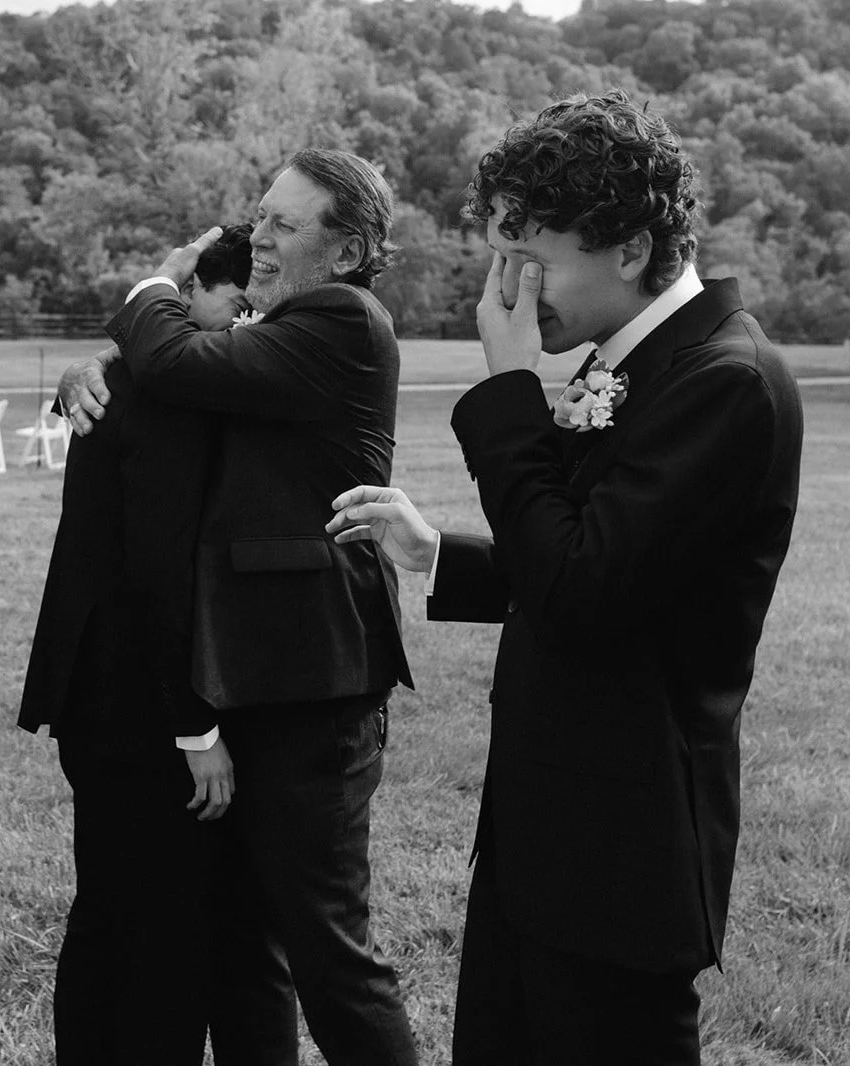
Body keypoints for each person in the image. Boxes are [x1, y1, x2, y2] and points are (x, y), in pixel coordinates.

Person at [329, 91, 805, 1063]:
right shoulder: (638, 359)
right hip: (547, 832)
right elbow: (610, 563)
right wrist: (443, 556)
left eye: (528, 255)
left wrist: (509, 395)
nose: (506, 284)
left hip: (622, 854)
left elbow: (584, 590)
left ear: (628, 248)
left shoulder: (724, 379)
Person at [59, 149, 418, 1066]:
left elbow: (175, 357)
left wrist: (154, 285)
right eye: (262, 214)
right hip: (250, 679)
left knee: (330, 952)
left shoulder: (342, 318)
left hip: (314, 681)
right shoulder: (276, 324)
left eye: (286, 225)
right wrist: (101, 360)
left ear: (348, 253)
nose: (260, 234)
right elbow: (178, 367)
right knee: (244, 935)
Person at [22, 225, 302, 1065]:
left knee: (109, 909)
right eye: (239, 305)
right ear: (196, 295)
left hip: (103, 694)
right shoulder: (171, 390)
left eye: (262, 312)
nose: (249, 328)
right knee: (153, 929)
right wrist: (197, 730)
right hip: (135, 702)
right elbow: (158, 574)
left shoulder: (143, 374)